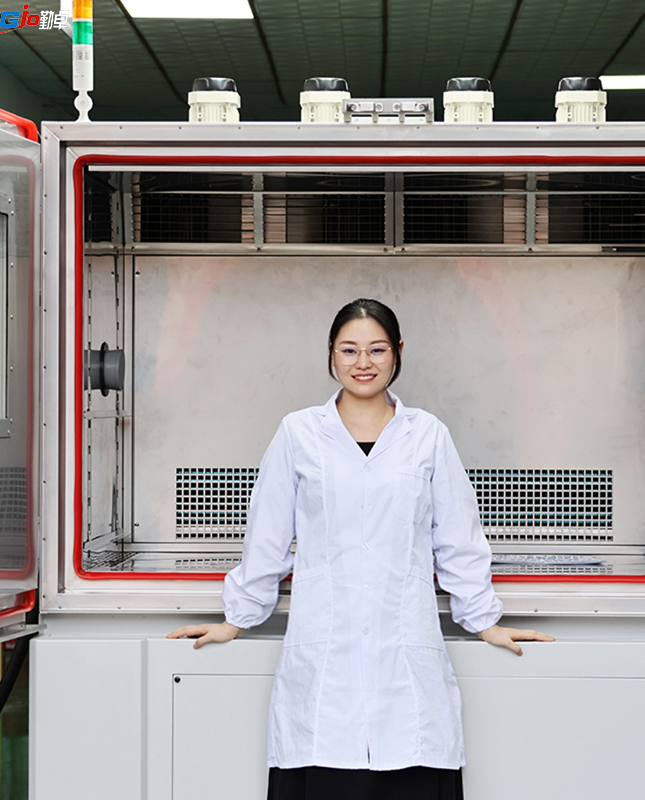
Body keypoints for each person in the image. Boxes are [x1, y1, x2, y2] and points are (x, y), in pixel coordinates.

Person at [168, 298, 554, 800]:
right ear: (331, 353)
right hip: (324, 677)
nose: (363, 362)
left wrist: (484, 621)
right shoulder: (299, 433)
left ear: (398, 352)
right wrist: (235, 618)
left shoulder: (427, 436)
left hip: (407, 676)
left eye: (377, 349)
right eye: (349, 350)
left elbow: (458, 539)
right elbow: (267, 535)